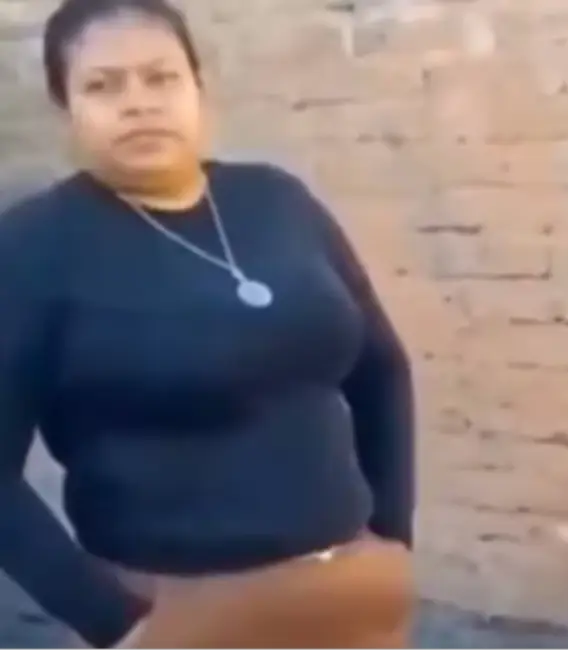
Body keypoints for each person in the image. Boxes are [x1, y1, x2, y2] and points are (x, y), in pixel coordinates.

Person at [0, 0, 415, 647]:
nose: (139, 103)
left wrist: (391, 535)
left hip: (354, 596)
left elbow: (381, 369)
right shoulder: (34, 245)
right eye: (103, 86)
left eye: (160, 77)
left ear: (198, 86)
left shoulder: (277, 201)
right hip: (176, 611)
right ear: (66, 108)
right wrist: (109, 620)